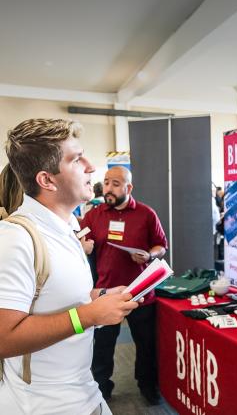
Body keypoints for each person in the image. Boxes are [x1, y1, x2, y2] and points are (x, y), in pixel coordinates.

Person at [0, 118, 140, 415]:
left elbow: (56, 300)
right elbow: (4, 338)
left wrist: (99, 299)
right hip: (42, 404)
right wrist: (88, 315)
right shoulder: (16, 239)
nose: (91, 167)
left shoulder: (67, 228)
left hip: (81, 389)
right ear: (47, 180)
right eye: (77, 159)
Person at [80, 166, 168, 405]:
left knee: (146, 346)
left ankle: (148, 386)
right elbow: (81, 238)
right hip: (105, 294)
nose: (108, 188)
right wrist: (81, 243)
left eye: (115, 184)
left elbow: (161, 245)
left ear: (129, 188)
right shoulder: (94, 215)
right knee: (103, 348)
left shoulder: (146, 214)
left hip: (140, 292)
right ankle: (102, 389)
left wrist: (150, 255)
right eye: (106, 182)